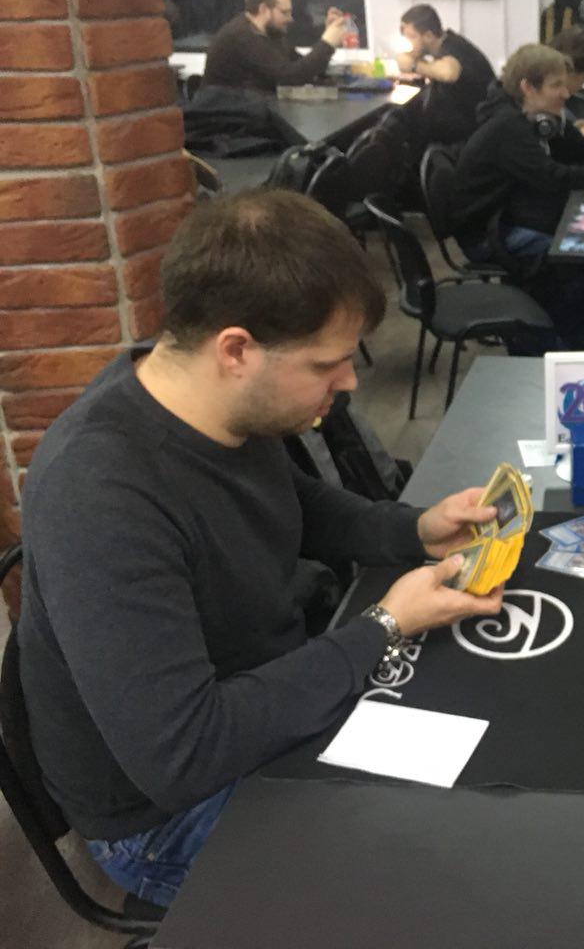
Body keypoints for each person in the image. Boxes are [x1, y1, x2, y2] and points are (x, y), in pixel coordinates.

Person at [15, 190, 506, 907]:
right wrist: (383, 625)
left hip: (260, 699)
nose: (349, 382)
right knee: (446, 877)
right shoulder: (98, 493)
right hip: (164, 815)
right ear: (237, 350)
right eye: (326, 364)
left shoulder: (217, 406)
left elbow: (292, 504)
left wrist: (413, 529)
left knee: (486, 754)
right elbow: (185, 755)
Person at [452, 43, 584, 347]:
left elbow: (583, 150)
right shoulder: (508, 127)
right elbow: (550, 177)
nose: (566, 93)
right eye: (556, 85)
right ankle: (551, 337)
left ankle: (559, 327)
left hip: (513, 213)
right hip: (489, 232)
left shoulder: (539, 118)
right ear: (528, 87)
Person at [203, 0, 345, 93]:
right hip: (228, 121)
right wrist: (327, 44)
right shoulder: (242, 36)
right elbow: (289, 78)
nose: (290, 19)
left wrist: (327, 35)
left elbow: (302, 67)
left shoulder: (271, 34)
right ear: (264, 9)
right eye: (284, 12)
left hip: (249, 113)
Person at [396, 4, 496, 149]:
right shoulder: (447, 43)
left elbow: (449, 73)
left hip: (468, 137)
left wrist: (413, 65)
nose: (408, 42)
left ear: (429, 36)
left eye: (412, 37)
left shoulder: (454, 47)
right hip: (460, 131)